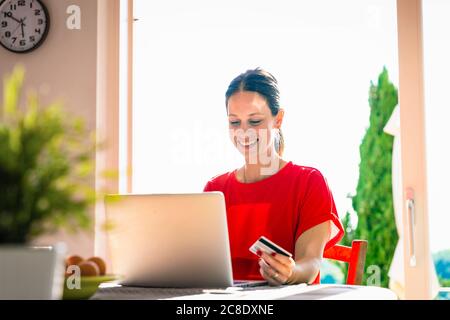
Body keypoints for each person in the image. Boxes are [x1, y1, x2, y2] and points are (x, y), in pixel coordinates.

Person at [203, 68, 344, 285]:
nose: (244, 132)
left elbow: (310, 263)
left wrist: (292, 273)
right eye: (234, 122)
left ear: (278, 119)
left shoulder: (309, 182)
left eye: (255, 121)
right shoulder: (215, 189)